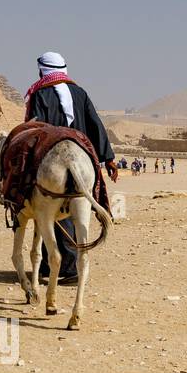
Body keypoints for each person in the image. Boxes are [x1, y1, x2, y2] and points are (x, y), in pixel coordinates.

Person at [24, 51, 117, 283]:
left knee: (47, 208)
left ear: (41, 70)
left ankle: (60, 267)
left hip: (50, 156)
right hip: (82, 155)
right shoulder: (79, 92)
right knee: (77, 209)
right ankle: (66, 265)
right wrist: (108, 158)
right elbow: (95, 124)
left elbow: (34, 129)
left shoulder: (39, 93)